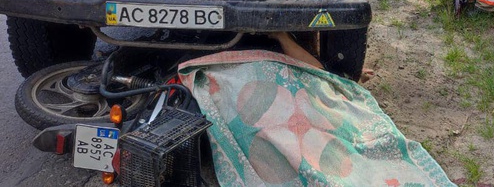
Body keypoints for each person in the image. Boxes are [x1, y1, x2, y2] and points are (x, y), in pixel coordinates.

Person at [178, 32, 456, 186]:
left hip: (292, 88)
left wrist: (283, 39)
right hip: (232, 84)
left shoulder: (283, 47)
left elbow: (319, 74)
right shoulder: (213, 67)